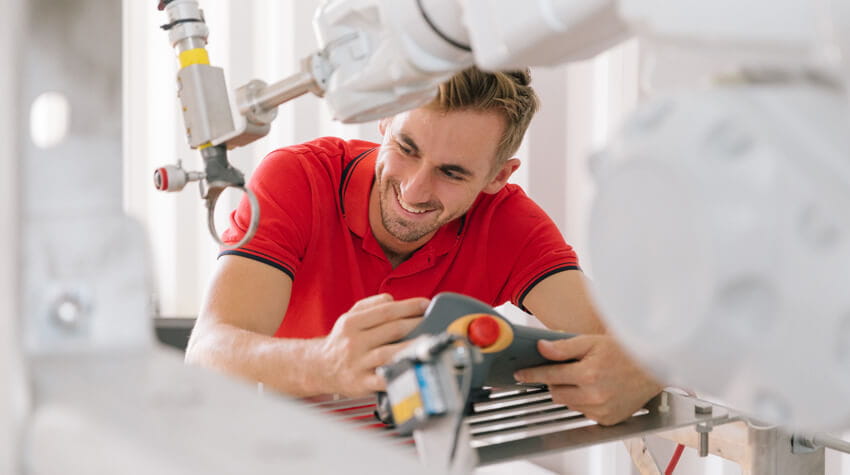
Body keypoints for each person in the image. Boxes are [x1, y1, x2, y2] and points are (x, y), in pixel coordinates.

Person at [186, 67, 661, 425]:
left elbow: (613, 340)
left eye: (452, 173)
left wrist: (646, 370)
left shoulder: (509, 223)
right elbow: (208, 353)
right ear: (385, 122)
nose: (414, 190)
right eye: (407, 149)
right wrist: (325, 364)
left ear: (498, 177)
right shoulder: (298, 180)